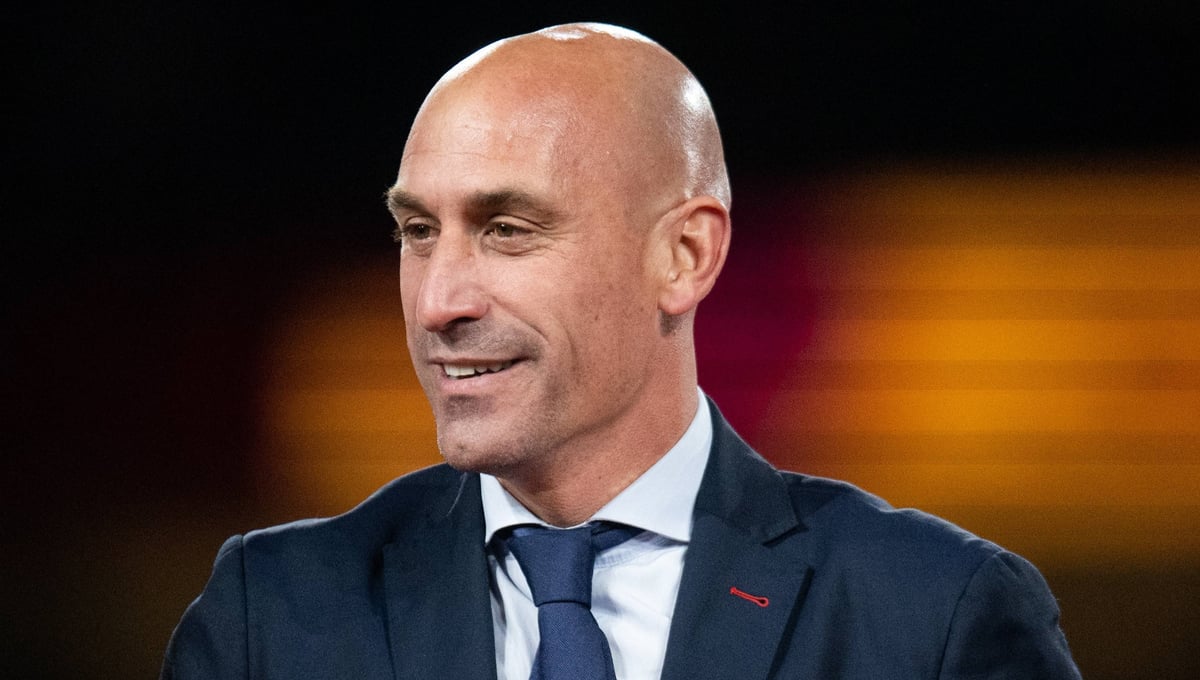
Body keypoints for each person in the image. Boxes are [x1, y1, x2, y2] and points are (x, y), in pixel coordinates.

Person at [161, 23, 1081, 680]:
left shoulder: (932, 616)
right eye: (417, 231)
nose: (438, 303)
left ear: (684, 255)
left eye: (509, 229)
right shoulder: (269, 617)